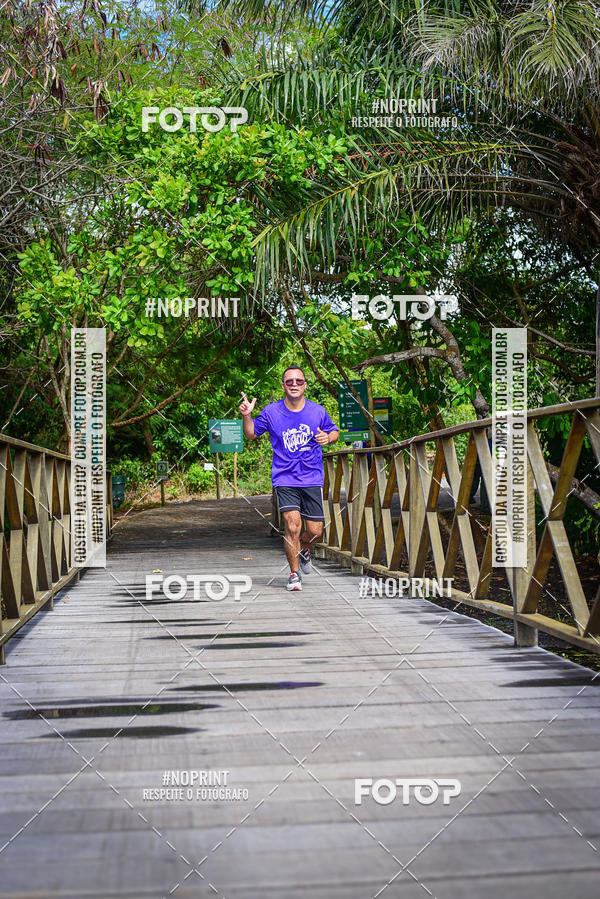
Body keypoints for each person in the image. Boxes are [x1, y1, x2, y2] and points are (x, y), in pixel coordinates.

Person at [239, 365, 339, 591]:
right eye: (289, 381)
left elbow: (334, 431)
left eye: (299, 381)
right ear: (283, 385)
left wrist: (328, 438)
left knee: (315, 531)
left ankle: (304, 548)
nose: (294, 384)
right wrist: (247, 416)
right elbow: (252, 433)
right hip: (284, 477)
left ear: (305, 385)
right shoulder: (272, 412)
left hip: (312, 477)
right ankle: (294, 574)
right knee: (292, 526)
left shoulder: (317, 411)